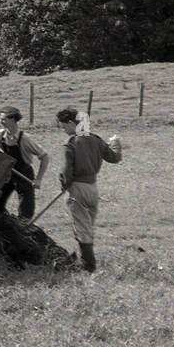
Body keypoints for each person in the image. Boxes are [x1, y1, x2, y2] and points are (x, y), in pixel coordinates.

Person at [56, 107, 122, 271]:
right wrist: (115, 143)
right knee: (87, 226)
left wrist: (64, 184)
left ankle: (88, 266)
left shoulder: (70, 143)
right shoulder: (96, 140)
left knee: (81, 227)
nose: (64, 130)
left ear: (71, 123)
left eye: (64, 126)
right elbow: (114, 158)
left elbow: (66, 171)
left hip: (76, 189)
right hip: (92, 189)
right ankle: (83, 260)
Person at [0, 106, 49, 220]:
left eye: (4, 119)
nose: (1, 122)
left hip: (23, 174)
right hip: (7, 173)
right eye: (0, 119)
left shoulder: (25, 139)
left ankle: (21, 230)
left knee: (25, 210)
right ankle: (5, 225)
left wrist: (38, 179)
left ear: (13, 120)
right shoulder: (0, 134)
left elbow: (44, 156)